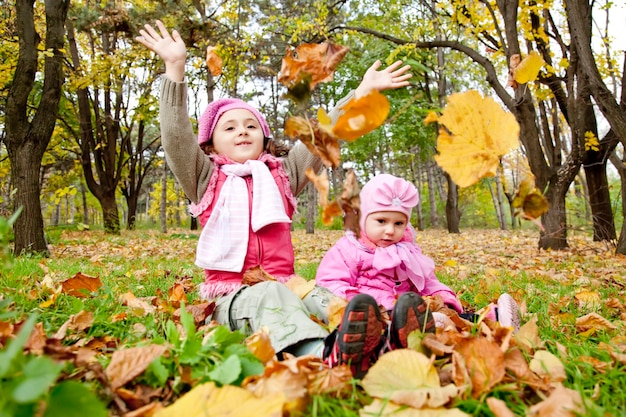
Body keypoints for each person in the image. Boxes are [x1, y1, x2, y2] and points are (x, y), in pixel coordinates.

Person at [135, 21, 413, 363]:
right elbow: (176, 137)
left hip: (287, 284)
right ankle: (323, 353)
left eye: (251, 126)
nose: (242, 131)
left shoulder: (283, 175)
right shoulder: (204, 177)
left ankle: (385, 337)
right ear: (210, 143)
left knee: (323, 297)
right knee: (270, 296)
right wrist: (174, 69)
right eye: (231, 127)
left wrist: (362, 93)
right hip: (232, 298)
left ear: (265, 139)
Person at [316, 173, 521, 377]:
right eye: (381, 221)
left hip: (410, 310)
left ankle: (493, 320)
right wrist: (356, 306)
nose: (390, 231)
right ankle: (425, 331)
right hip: (376, 316)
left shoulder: (406, 250)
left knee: (453, 317)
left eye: (398, 224)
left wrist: (446, 300)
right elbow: (330, 282)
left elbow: (427, 282)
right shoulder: (350, 249)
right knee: (388, 329)